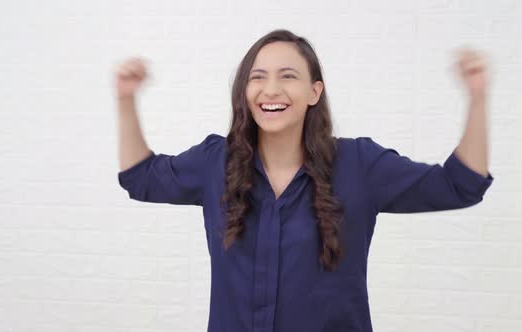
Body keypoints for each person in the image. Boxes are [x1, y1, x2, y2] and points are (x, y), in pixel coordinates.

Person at [114, 29, 494, 332]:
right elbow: (140, 178)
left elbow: (460, 185)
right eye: (257, 77)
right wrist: (126, 99)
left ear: (315, 92)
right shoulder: (217, 162)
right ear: (245, 92)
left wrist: (477, 98)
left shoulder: (359, 164)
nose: (271, 90)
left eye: (288, 76)